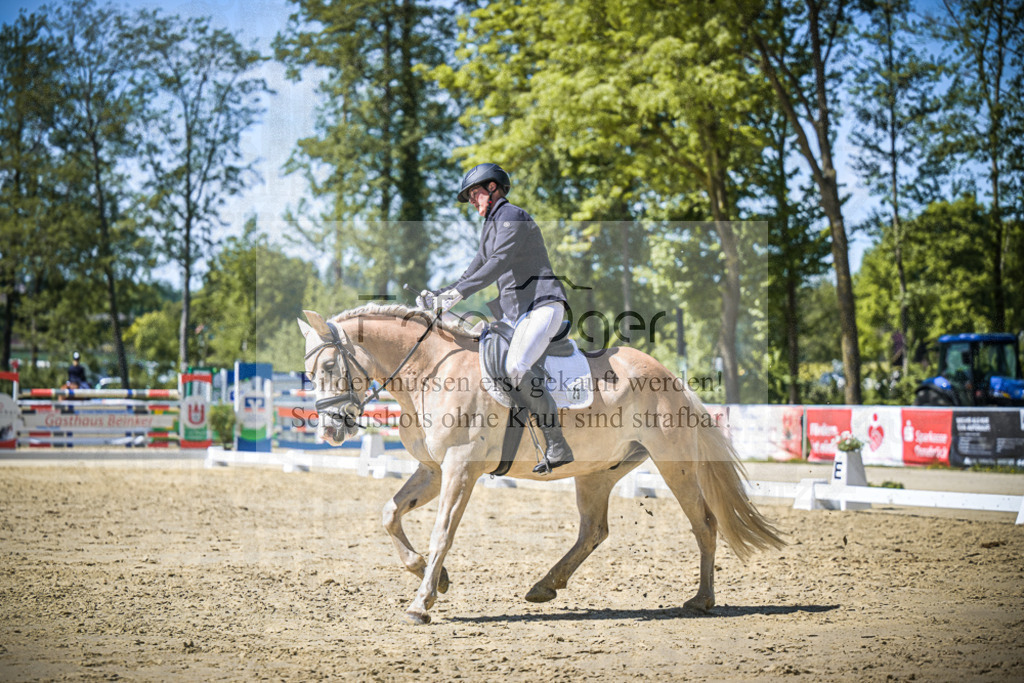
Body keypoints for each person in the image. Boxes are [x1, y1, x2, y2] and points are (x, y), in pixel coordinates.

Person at [418, 163, 573, 474]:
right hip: (518, 315)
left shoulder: (512, 216)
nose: (472, 201)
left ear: (493, 187)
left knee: (516, 366)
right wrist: (439, 294)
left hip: (543, 304)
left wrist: (455, 296)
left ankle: (557, 443)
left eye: (474, 194)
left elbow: (498, 264)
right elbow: (472, 271)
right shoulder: (490, 227)